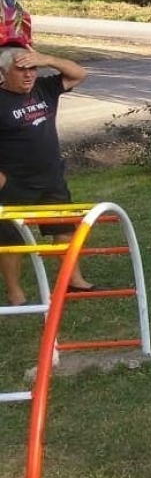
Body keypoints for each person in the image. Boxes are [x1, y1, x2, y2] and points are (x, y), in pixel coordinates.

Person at [0, 46, 99, 305]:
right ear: (3, 73)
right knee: (10, 239)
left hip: (50, 177)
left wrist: (47, 59)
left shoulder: (45, 88)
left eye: (32, 69)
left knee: (65, 230)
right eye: (21, 70)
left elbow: (79, 74)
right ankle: (15, 293)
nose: (28, 75)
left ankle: (72, 280)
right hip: (14, 182)